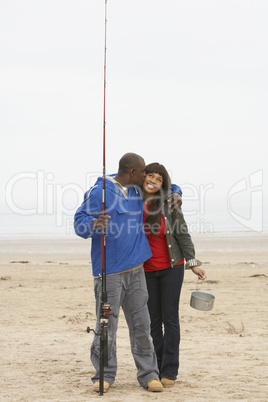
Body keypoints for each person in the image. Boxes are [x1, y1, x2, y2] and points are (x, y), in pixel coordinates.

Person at [74, 153, 182, 393]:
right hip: (109, 273)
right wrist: (93, 225)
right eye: (143, 172)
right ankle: (104, 375)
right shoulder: (99, 193)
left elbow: (167, 183)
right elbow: (78, 222)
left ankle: (149, 374)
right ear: (132, 172)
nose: (146, 176)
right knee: (106, 327)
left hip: (137, 271)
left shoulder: (135, 191)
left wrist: (177, 193)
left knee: (142, 325)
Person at [142, 162, 206, 388]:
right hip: (146, 271)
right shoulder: (133, 203)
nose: (153, 181)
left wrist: (193, 263)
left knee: (170, 320)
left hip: (172, 268)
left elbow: (183, 234)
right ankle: (154, 368)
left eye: (158, 179)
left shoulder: (170, 204)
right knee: (152, 322)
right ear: (142, 177)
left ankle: (170, 370)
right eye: (149, 176)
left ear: (163, 183)